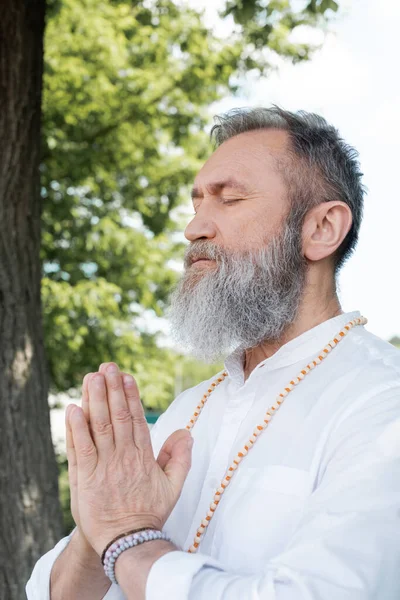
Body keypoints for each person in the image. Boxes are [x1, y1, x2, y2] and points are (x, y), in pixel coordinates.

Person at [26, 106, 400, 600]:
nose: (194, 228)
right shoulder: (188, 409)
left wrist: (130, 541)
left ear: (322, 229)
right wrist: (96, 532)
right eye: (197, 202)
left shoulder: (381, 402)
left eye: (230, 199)